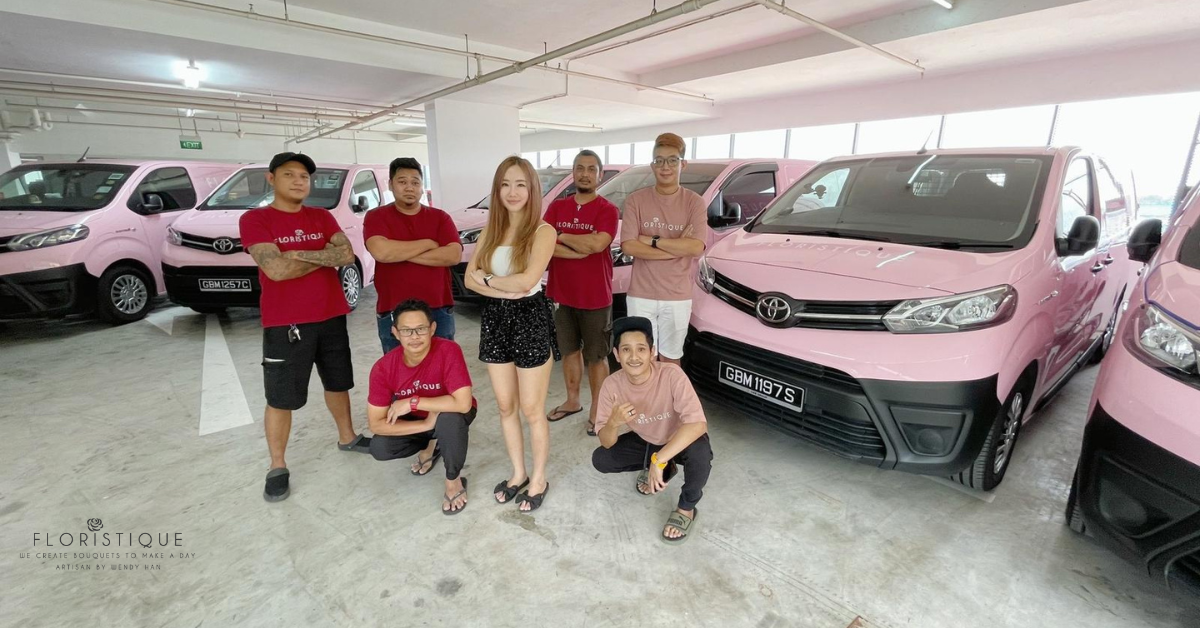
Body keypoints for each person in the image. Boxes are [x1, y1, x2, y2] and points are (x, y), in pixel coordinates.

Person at [239, 151, 371, 503]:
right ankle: (277, 465)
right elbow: (276, 271)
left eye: (304, 176)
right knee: (281, 397)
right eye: (290, 175)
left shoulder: (321, 216)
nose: (299, 181)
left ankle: (348, 437)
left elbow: (345, 256)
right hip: (286, 322)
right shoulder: (256, 220)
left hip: (330, 315)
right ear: (271, 179)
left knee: (338, 381)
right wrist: (318, 255)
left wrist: (296, 254)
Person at [464, 155, 559, 513]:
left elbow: (528, 281)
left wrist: (490, 281)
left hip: (530, 318)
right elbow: (472, 279)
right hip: (495, 320)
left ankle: (539, 478)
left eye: (520, 184)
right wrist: (500, 286)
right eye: (505, 184)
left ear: (532, 189)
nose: (512, 191)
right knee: (506, 406)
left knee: (533, 409)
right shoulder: (489, 230)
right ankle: (518, 472)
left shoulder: (543, 231)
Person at [593, 316, 712, 544]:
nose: (634, 357)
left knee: (700, 455)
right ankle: (663, 464)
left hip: (681, 439)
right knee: (602, 459)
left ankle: (686, 508)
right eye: (626, 350)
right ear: (617, 355)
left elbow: (697, 424)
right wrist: (613, 423)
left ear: (652, 352)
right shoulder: (611, 385)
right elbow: (606, 442)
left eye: (641, 349)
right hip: (648, 440)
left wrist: (659, 461)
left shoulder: (672, 375)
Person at [366, 299, 477, 515]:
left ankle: (453, 481)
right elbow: (376, 424)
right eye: (407, 331)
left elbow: (462, 404)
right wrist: (425, 424)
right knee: (379, 447)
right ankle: (430, 443)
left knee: (449, 420)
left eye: (421, 329)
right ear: (395, 333)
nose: (414, 336)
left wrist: (411, 402)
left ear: (432, 329)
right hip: (421, 420)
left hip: (451, 414)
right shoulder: (383, 368)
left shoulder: (449, 350)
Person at [543, 149, 620, 436]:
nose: (585, 173)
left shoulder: (607, 210)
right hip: (562, 294)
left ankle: (597, 409)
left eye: (591, 169)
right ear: (572, 173)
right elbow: (542, 242)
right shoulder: (557, 207)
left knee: (596, 357)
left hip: (595, 296)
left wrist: (560, 236)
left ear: (600, 175)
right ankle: (573, 401)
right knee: (570, 351)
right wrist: (576, 246)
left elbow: (597, 245)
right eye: (579, 168)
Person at [618, 132, 708, 364]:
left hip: (677, 296)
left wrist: (652, 240)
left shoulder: (694, 202)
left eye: (672, 160)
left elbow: (696, 247)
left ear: (683, 164)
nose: (665, 166)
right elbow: (629, 246)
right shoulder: (636, 200)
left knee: (671, 359)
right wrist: (678, 246)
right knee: (641, 359)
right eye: (659, 160)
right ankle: (646, 401)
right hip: (640, 295)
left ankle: (669, 401)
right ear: (652, 165)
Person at [364, 158, 462, 354]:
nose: (409, 187)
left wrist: (398, 252)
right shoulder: (377, 216)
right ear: (391, 184)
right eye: (402, 181)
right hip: (393, 310)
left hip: (438, 309)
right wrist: (427, 244)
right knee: (399, 374)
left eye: (415, 182)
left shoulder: (440, 217)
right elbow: (382, 252)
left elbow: (453, 255)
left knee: (442, 370)